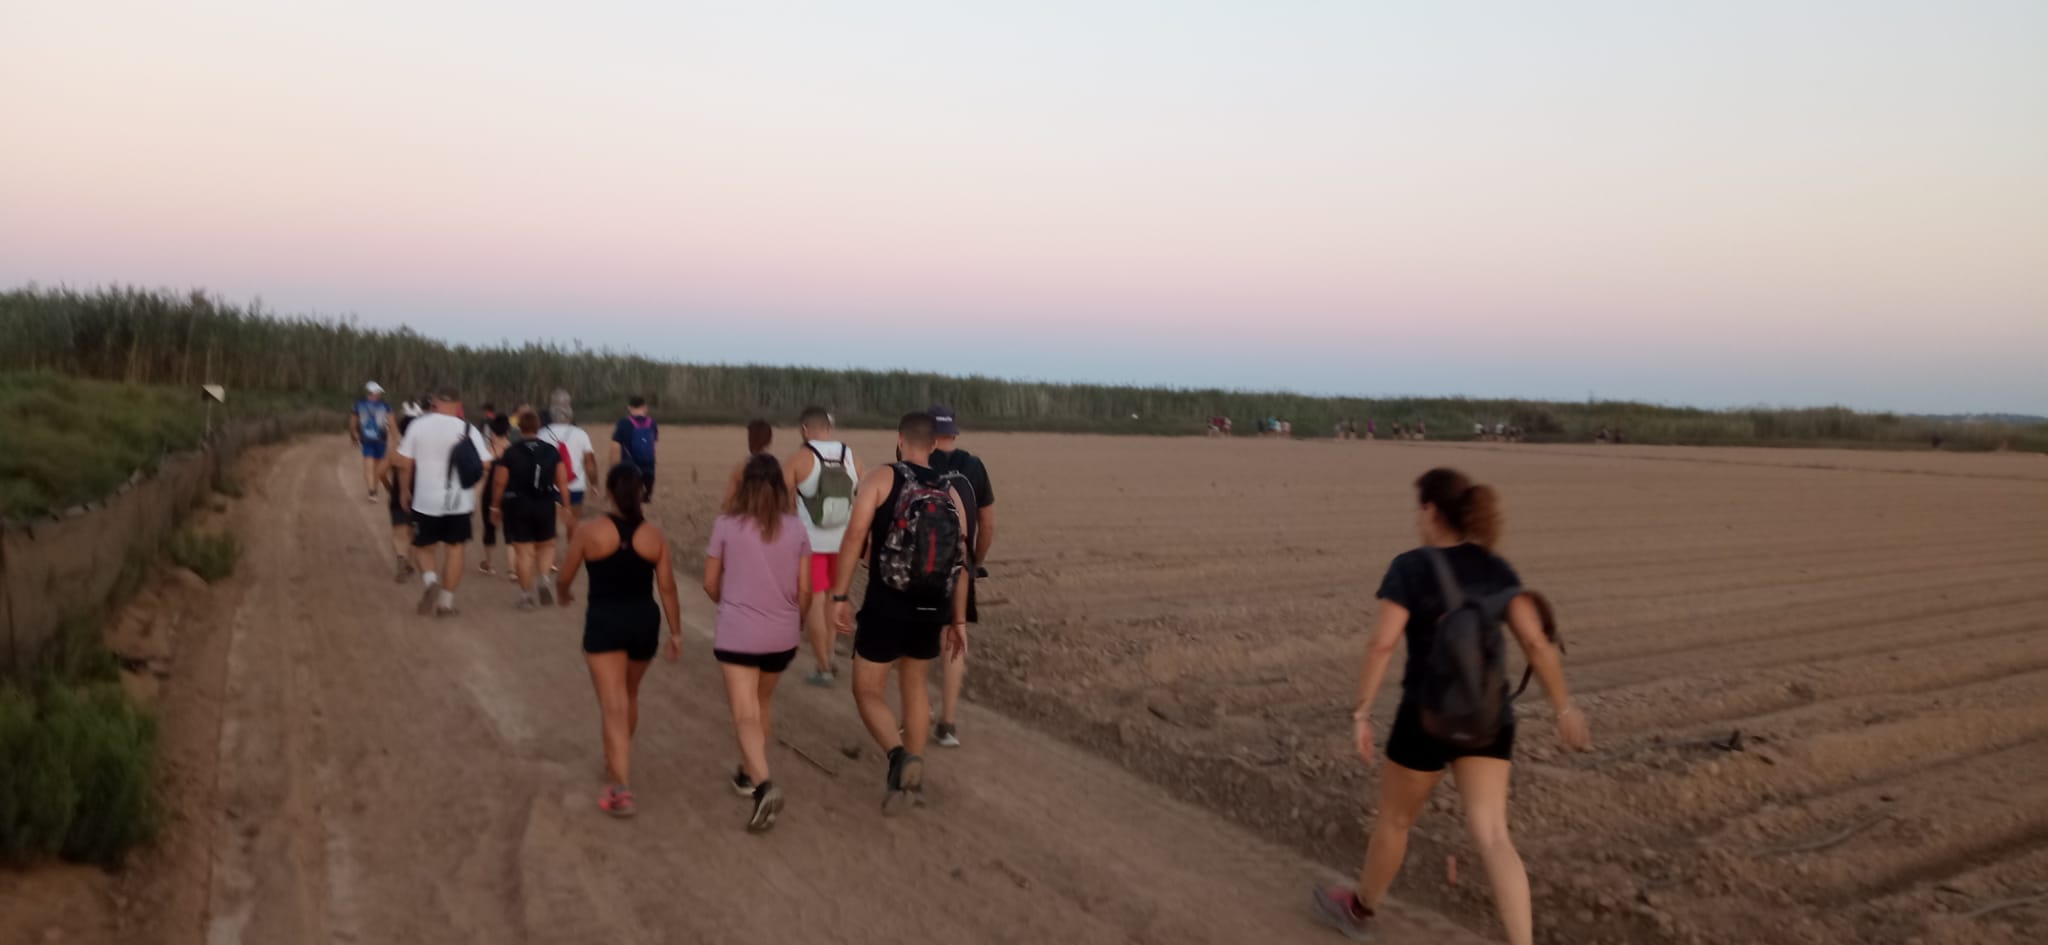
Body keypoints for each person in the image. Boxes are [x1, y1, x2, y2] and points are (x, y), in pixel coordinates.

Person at [1311, 468, 1590, 945]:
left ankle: (1359, 912)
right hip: (1488, 719)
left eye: (1418, 509)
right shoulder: (1497, 569)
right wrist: (1565, 709)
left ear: (1432, 511)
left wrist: (1361, 713)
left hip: (1424, 718)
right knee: (1494, 836)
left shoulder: (1411, 567)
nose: (1416, 519)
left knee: (1396, 821)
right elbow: (1536, 643)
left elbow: (1381, 645)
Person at [828, 413, 972, 809]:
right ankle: (915, 782)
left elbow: (855, 536)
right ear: (933, 445)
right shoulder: (951, 491)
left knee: (866, 689)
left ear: (899, 439)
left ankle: (898, 757)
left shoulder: (881, 477)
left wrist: (839, 596)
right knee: (915, 689)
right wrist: (956, 620)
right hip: (932, 607)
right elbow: (959, 562)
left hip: (887, 604)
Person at [556, 464, 683, 818]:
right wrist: (676, 633)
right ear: (642, 493)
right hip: (644, 622)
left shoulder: (588, 531)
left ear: (610, 492)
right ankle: (616, 759)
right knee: (628, 696)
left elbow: (565, 576)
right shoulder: (655, 537)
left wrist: (563, 594)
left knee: (612, 705)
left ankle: (620, 789)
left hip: (605, 622)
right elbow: (668, 589)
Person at [705, 454, 810, 831]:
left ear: (745, 485)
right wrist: (793, 621)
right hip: (782, 636)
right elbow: (805, 590)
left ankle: (764, 784)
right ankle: (748, 773)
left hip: (738, 633)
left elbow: (710, 583)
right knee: (762, 701)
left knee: (745, 712)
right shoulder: (797, 529)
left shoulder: (726, 525)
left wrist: (731, 603)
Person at [927, 404, 994, 749]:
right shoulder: (974, 466)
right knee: (954, 638)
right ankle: (948, 723)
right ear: (954, 433)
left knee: (917, 637)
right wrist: (975, 561)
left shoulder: (915, 460)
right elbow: (988, 525)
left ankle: (919, 706)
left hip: (922, 566)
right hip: (960, 565)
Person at [393, 387, 491, 617]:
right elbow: (486, 463)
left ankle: (429, 582)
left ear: (434, 403)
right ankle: (446, 603)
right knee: (455, 548)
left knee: (422, 546)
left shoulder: (418, 425)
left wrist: (405, 491)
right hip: (459, 501)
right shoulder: (468, 429)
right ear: (458, 406)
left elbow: (405, 463)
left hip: (425, 499)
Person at [784, 407, 859, 687]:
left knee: (815, 599)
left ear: (805, 429)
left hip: (811, 544)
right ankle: (829, 657)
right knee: (832, 598)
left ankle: (823, 665)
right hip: (842, 544)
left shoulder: (800, 458)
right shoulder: (850, 456)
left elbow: (783, 501)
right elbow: (858, 494)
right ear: (829, 427)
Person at [493, 411, 572, 609]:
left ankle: (526, 596)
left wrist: (495, 505)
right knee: (546, 546)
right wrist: (566, 506)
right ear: (538, 427)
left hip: (519, 504)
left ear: (520, 428)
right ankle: (544, 580)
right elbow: (562, 482)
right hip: (544, 503)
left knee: (524, 552)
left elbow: (500, 482)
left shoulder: (511, 452)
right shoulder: (551, 451)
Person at [477, 413, 513, 576]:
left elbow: (482, 476)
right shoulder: (513, 450)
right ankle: (512, 568)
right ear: (508, 431)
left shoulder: (487, 451)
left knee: (489, 528)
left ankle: (489, 564)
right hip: (510, 493)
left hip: (489, 493)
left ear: (492, 431)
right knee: (510, 531)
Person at [385, 414, 418, 582]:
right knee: (413, 532)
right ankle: (410, 563)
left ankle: (401, 558)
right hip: (419, 497)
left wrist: (388, 486)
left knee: (399, 532)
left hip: (398, 494)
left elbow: (381, 472)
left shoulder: (397, 452)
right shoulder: (423, 453)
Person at [350, 382, 395, 502]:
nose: (379, 395)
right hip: (378, 440)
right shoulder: (385, 406)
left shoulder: (358, 404)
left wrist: (354, 435)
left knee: (372, 467)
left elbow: (353, 422)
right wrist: (396, 439)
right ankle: (372, 490)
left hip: (370, 439)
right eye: (378, 393)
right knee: (373, 466)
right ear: (373, 392)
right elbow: (392, 424)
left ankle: (373, 491)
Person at [610, 396, 660, 501]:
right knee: (642, 499)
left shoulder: (623, 423)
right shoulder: (652, 423)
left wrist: (614, 470)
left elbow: (615, 447)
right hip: (648, 466)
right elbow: (653, 443)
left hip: (629, 466)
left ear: (629, 408)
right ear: (645, 407)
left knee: (628, 498)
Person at [719, 419, 775, 507]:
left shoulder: (741, 468)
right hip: (770, 516)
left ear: (750, 440)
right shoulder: (777, 469)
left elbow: (727, 502)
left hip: (747, 514)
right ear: (770, 440)